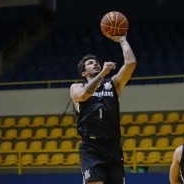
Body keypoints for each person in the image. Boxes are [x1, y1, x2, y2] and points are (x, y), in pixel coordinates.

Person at [70, 35, 136, 184]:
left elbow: (131, 63)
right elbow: (83, 95)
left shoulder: (113, 84)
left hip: (112, 146)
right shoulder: (77, 87)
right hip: (91, 147)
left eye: (97, 62)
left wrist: (122, 39)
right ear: (83, 73)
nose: (95, 64)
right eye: (90, 63)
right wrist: (103, 73)